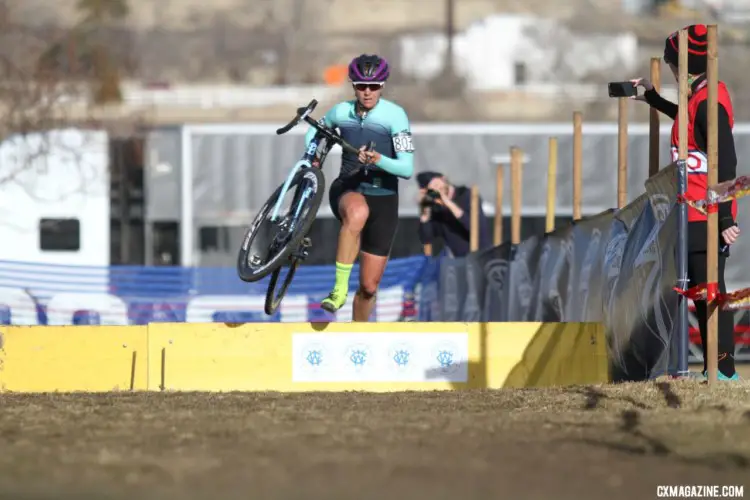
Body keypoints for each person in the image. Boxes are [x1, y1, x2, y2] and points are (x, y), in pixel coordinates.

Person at [631, 24, 740, 381]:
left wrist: (724, 217)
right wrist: (651, 97)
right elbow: (685, 118)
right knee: (697, 290)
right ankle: (713, 366)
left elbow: (727, 161)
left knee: (711, 292)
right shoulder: (696, 98)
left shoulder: (710, 101)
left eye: (674, 65)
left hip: (706, 213)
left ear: (686, 67)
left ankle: (723, 369)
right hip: (688, 211)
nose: (673, 71)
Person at [304, 54, 414, 320]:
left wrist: (379, 159)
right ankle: (338, 290)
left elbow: (407, 169)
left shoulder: (395, 116)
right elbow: (315, 133)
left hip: (385, 198)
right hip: (349, 187)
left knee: (368, 287)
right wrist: (313, 154)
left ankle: (359, 331)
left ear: (382, 86)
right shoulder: (341, 112)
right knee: (357, 213)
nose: (367, 92)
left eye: (373, 86)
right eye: (361, 86)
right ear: (353, 85)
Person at [416, 171, 491, 257]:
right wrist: (424, 212)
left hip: (481, 257)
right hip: (458, 260)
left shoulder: (467, 195)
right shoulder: (436, 208)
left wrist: (447, 203)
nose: (437, 190)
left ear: (443, 179)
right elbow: (427, 238)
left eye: (437, 185)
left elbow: (474, 228)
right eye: (432, 190)